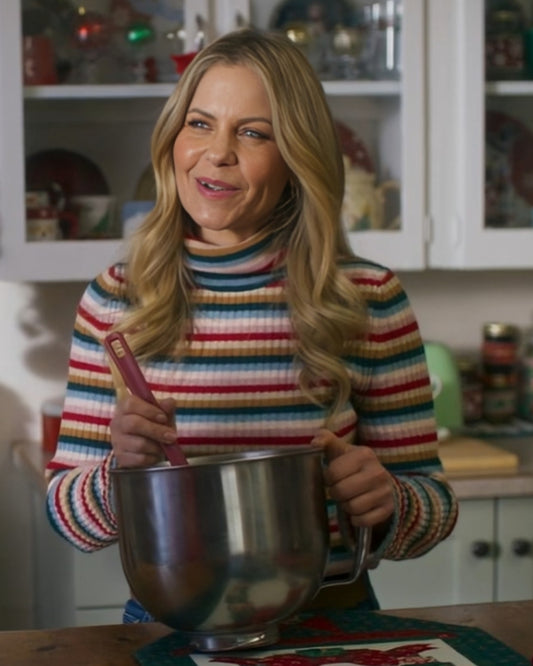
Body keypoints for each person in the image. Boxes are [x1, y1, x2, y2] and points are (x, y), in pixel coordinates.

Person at [46, 28, 458, 621]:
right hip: (173, 623)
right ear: (172, 139)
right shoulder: (115, 300)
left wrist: (389, 500)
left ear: (297, 157)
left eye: (254, 133)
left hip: (332, 621)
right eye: (200, 123)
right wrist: (120, 473)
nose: (217, 153)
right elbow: (67, 518)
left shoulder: (367, 299)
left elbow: (433, 505)